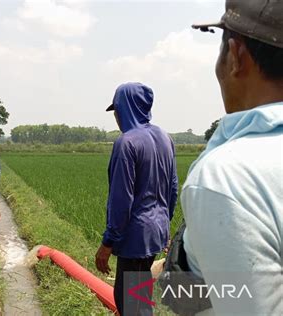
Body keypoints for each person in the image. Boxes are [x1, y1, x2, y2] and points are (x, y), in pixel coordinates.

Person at [182, 1, 283, 315]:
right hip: (166, 243)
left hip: (136, 245)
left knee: (133, 295)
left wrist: (109, 241)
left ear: (236, 56)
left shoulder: (226, 176)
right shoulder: (160, 140)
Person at [95, 82, 178, 316]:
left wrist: (107, 242)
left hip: (134, 237)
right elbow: (172, 188)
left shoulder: (127, 143)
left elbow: (122, 200)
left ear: (126, 108)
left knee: (130, 304)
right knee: (141, 300)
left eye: (117, 110)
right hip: (156, 232)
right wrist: (163, 223)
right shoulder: (165, 138)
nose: (117, 117)